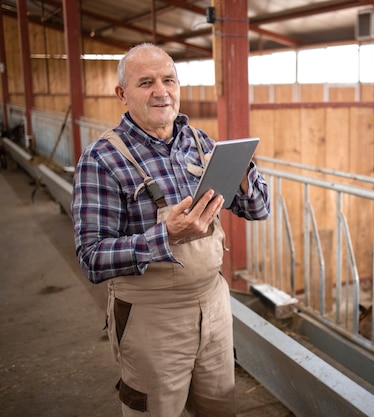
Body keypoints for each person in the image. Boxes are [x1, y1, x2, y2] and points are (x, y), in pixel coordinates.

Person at [71, 42, 270, 417]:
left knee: (219, 407)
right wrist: (165, 236)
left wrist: (244, 175)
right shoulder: (102, 159)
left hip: (213, 305)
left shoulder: (200, 143)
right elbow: (91, 257)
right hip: (151, 317)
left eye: (168, 80)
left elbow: (258, 209)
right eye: (145, 82)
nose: (161, 91)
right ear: (122, 94)